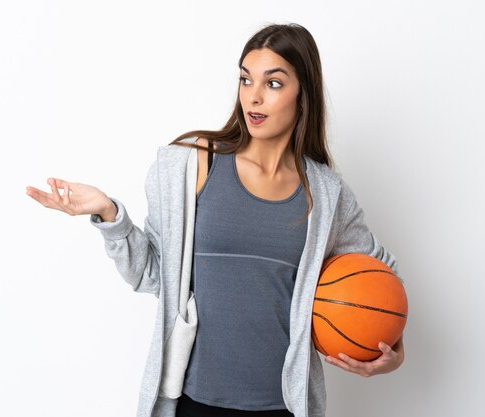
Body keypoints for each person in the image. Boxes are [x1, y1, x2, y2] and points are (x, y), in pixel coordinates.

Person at [26, 22, 404, 417]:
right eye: (245, 79)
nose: (253, 97)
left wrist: (393, 347)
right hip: (194, 404)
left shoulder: (326, 195)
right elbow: (154, 275)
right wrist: (110, 214)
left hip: (283, 407)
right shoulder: (191, 166)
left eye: (273, 84)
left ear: (303, 94)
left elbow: (382, 276)